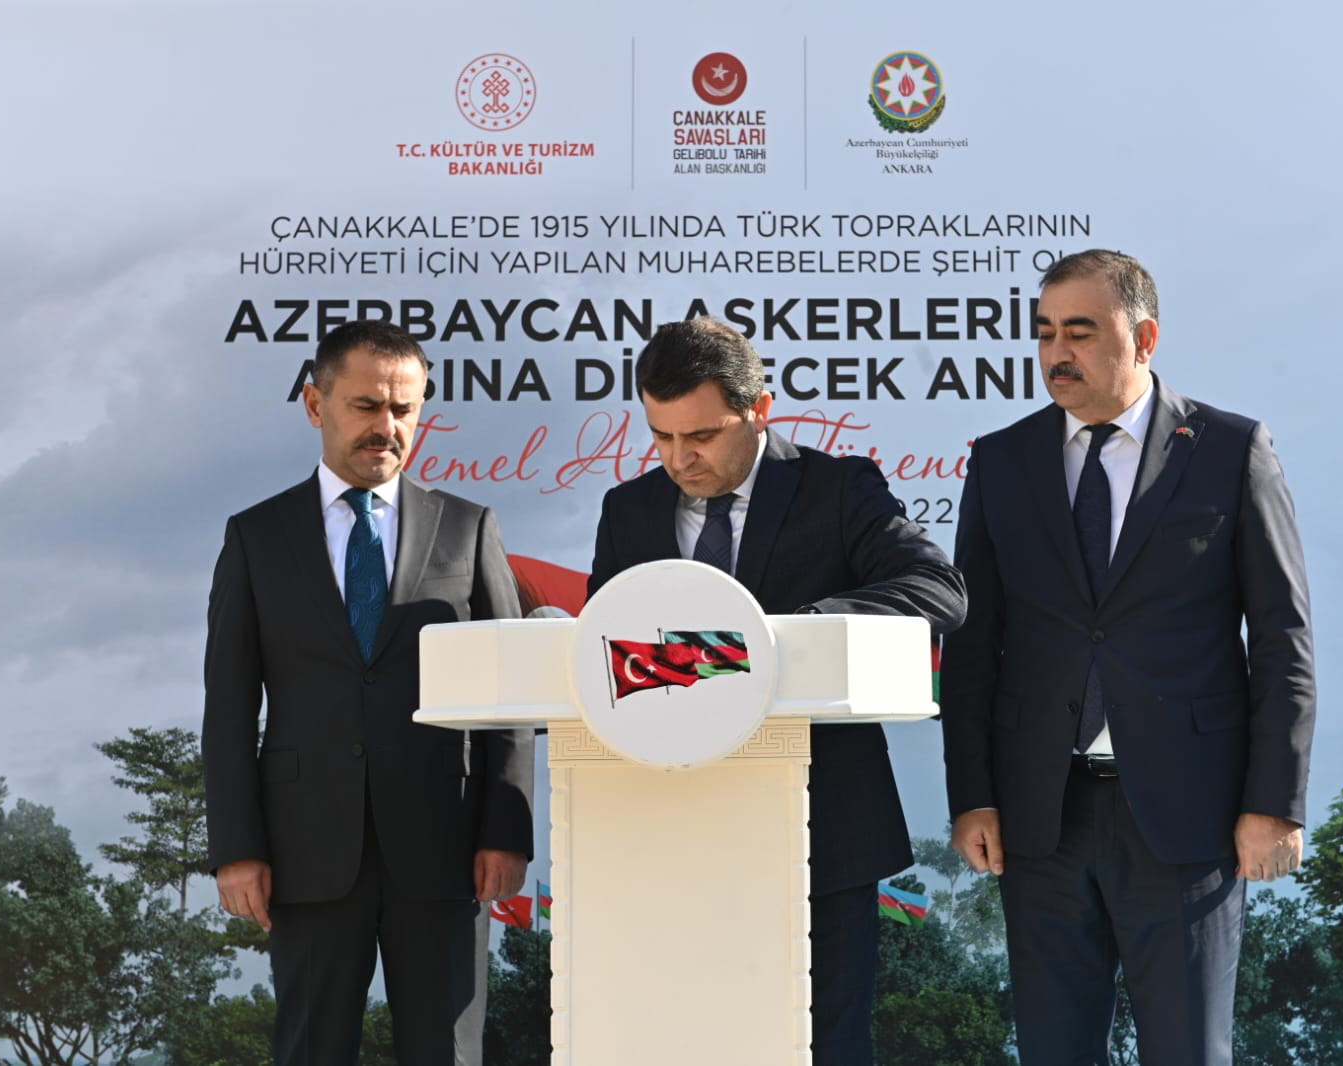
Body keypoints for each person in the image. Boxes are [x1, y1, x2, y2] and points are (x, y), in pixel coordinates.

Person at [941, 249, 1316, 1064]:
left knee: (1187, 1051)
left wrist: (1274, 803)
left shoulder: (1229, 449)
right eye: (1044, 333)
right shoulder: (1001, 460)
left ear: (1143, 338)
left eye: (1079, 332)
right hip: (1041, 818)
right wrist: (972, 797)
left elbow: (1281, 638)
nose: (1056, 353)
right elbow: (971, 644)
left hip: (1186, 816)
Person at [587, 316, 966, 1066]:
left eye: (701, 436)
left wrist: (791, 636)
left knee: (828, 1047)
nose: (679, 458)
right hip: (674, 832)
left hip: (823, 829)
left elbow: (938, 590)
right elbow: (610, 653)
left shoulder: (837, 488)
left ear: (759, 409)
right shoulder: (628, 510)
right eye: (661, 437)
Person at [202, 320, 535, 1066]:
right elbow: (228, 706)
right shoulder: (255, 537)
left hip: (446, 847)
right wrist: (237, 848)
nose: (386, 426)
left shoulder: (469, 527)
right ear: (314, 404)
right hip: (306, 849)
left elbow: (507, 687)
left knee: (448, 1054)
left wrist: (506, 829)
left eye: (403, 409)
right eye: (365, 406)